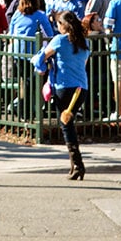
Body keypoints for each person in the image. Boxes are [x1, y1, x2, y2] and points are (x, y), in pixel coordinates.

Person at [38, 9, 89, 179]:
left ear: (63, 25)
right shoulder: (84, 42)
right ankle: (75, 165)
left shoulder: (59, 40)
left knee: (66, 125)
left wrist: (43, 66)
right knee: (69, 123)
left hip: (64, 86)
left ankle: (77, 165)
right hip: (81, 88)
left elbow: (43, 56)